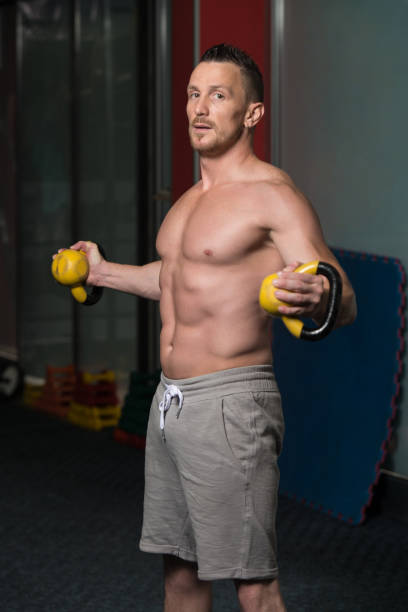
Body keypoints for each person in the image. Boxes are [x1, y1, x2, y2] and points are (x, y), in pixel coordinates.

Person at [63, 44, 356, 612]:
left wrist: (321, 292)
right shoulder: (189, 202)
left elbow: (343, 297)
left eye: (218, 95)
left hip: (231, 405)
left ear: (252, 114)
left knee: (253, 584)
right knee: (181, 577)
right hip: (172, 406)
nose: (199, 108)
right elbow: (174, 278)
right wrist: (103, 271)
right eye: (194, 94)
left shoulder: (273, 197)